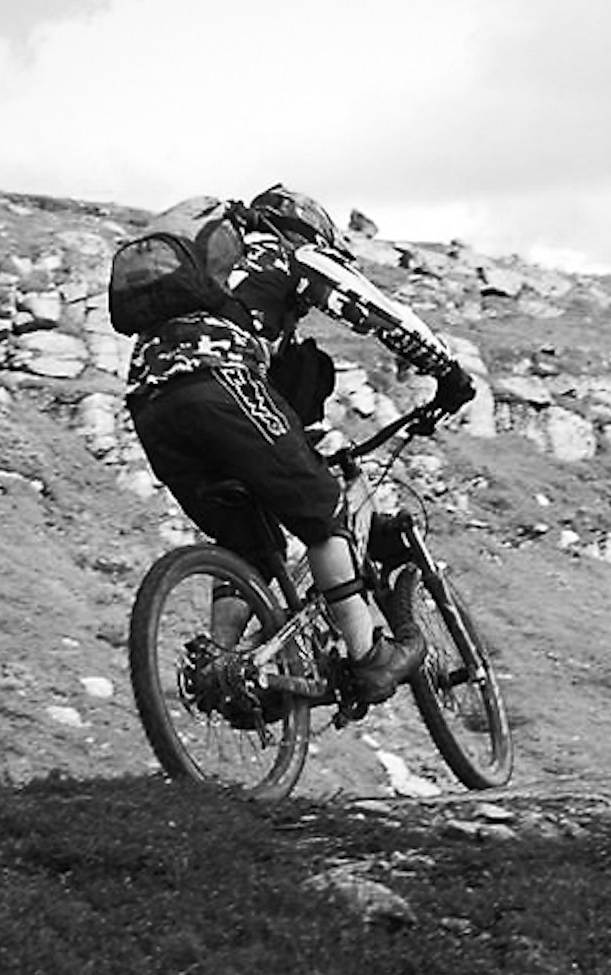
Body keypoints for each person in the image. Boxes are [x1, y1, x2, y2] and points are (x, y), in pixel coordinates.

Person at [124, 184, 475, 703]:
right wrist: (446, 371)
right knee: (323, 512)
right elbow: (371, 308)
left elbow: (285, 403)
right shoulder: (287, 251)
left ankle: (223, 668)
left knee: (248, 542)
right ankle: (368, 659)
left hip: (150, 404)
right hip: (220, 381)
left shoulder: (222, 285)